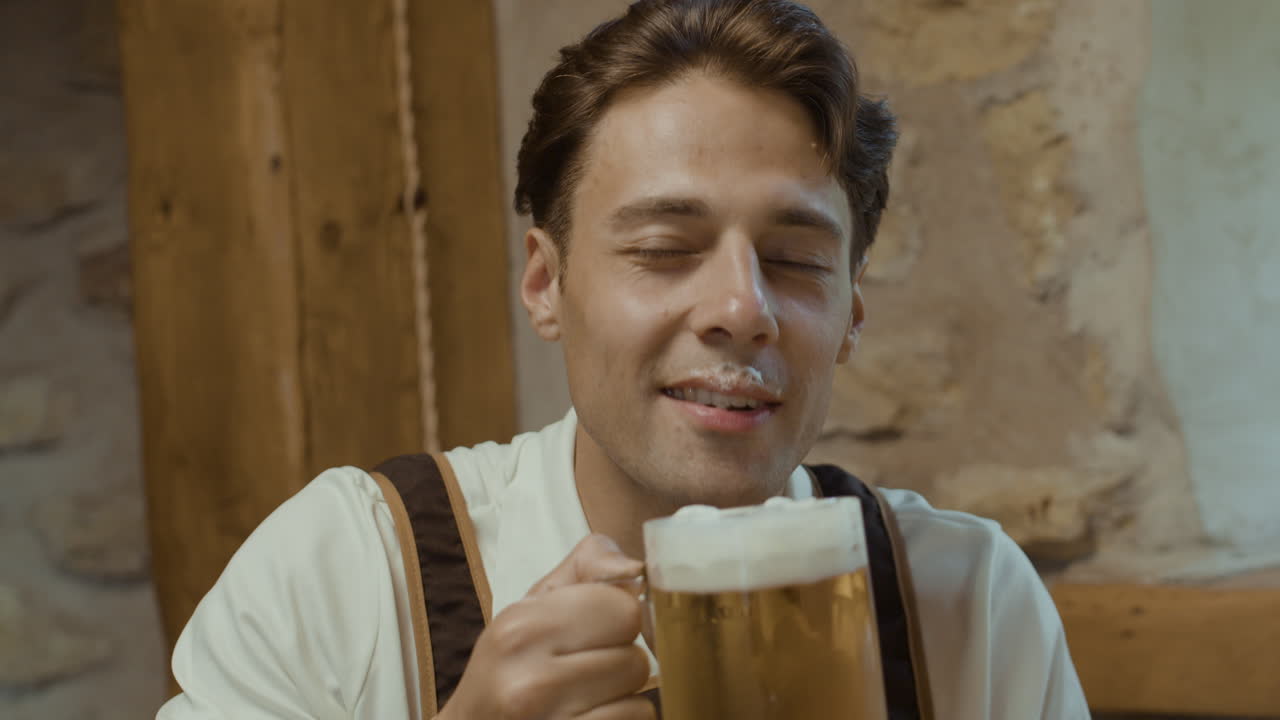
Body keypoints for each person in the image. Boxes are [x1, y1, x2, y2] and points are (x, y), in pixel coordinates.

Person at [157, 1, 1089, 718]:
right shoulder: (344, 568)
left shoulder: (970, 604)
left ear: (850, 312)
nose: (739, 310)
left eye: (797, 260)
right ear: (546, 286)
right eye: (662, 249)